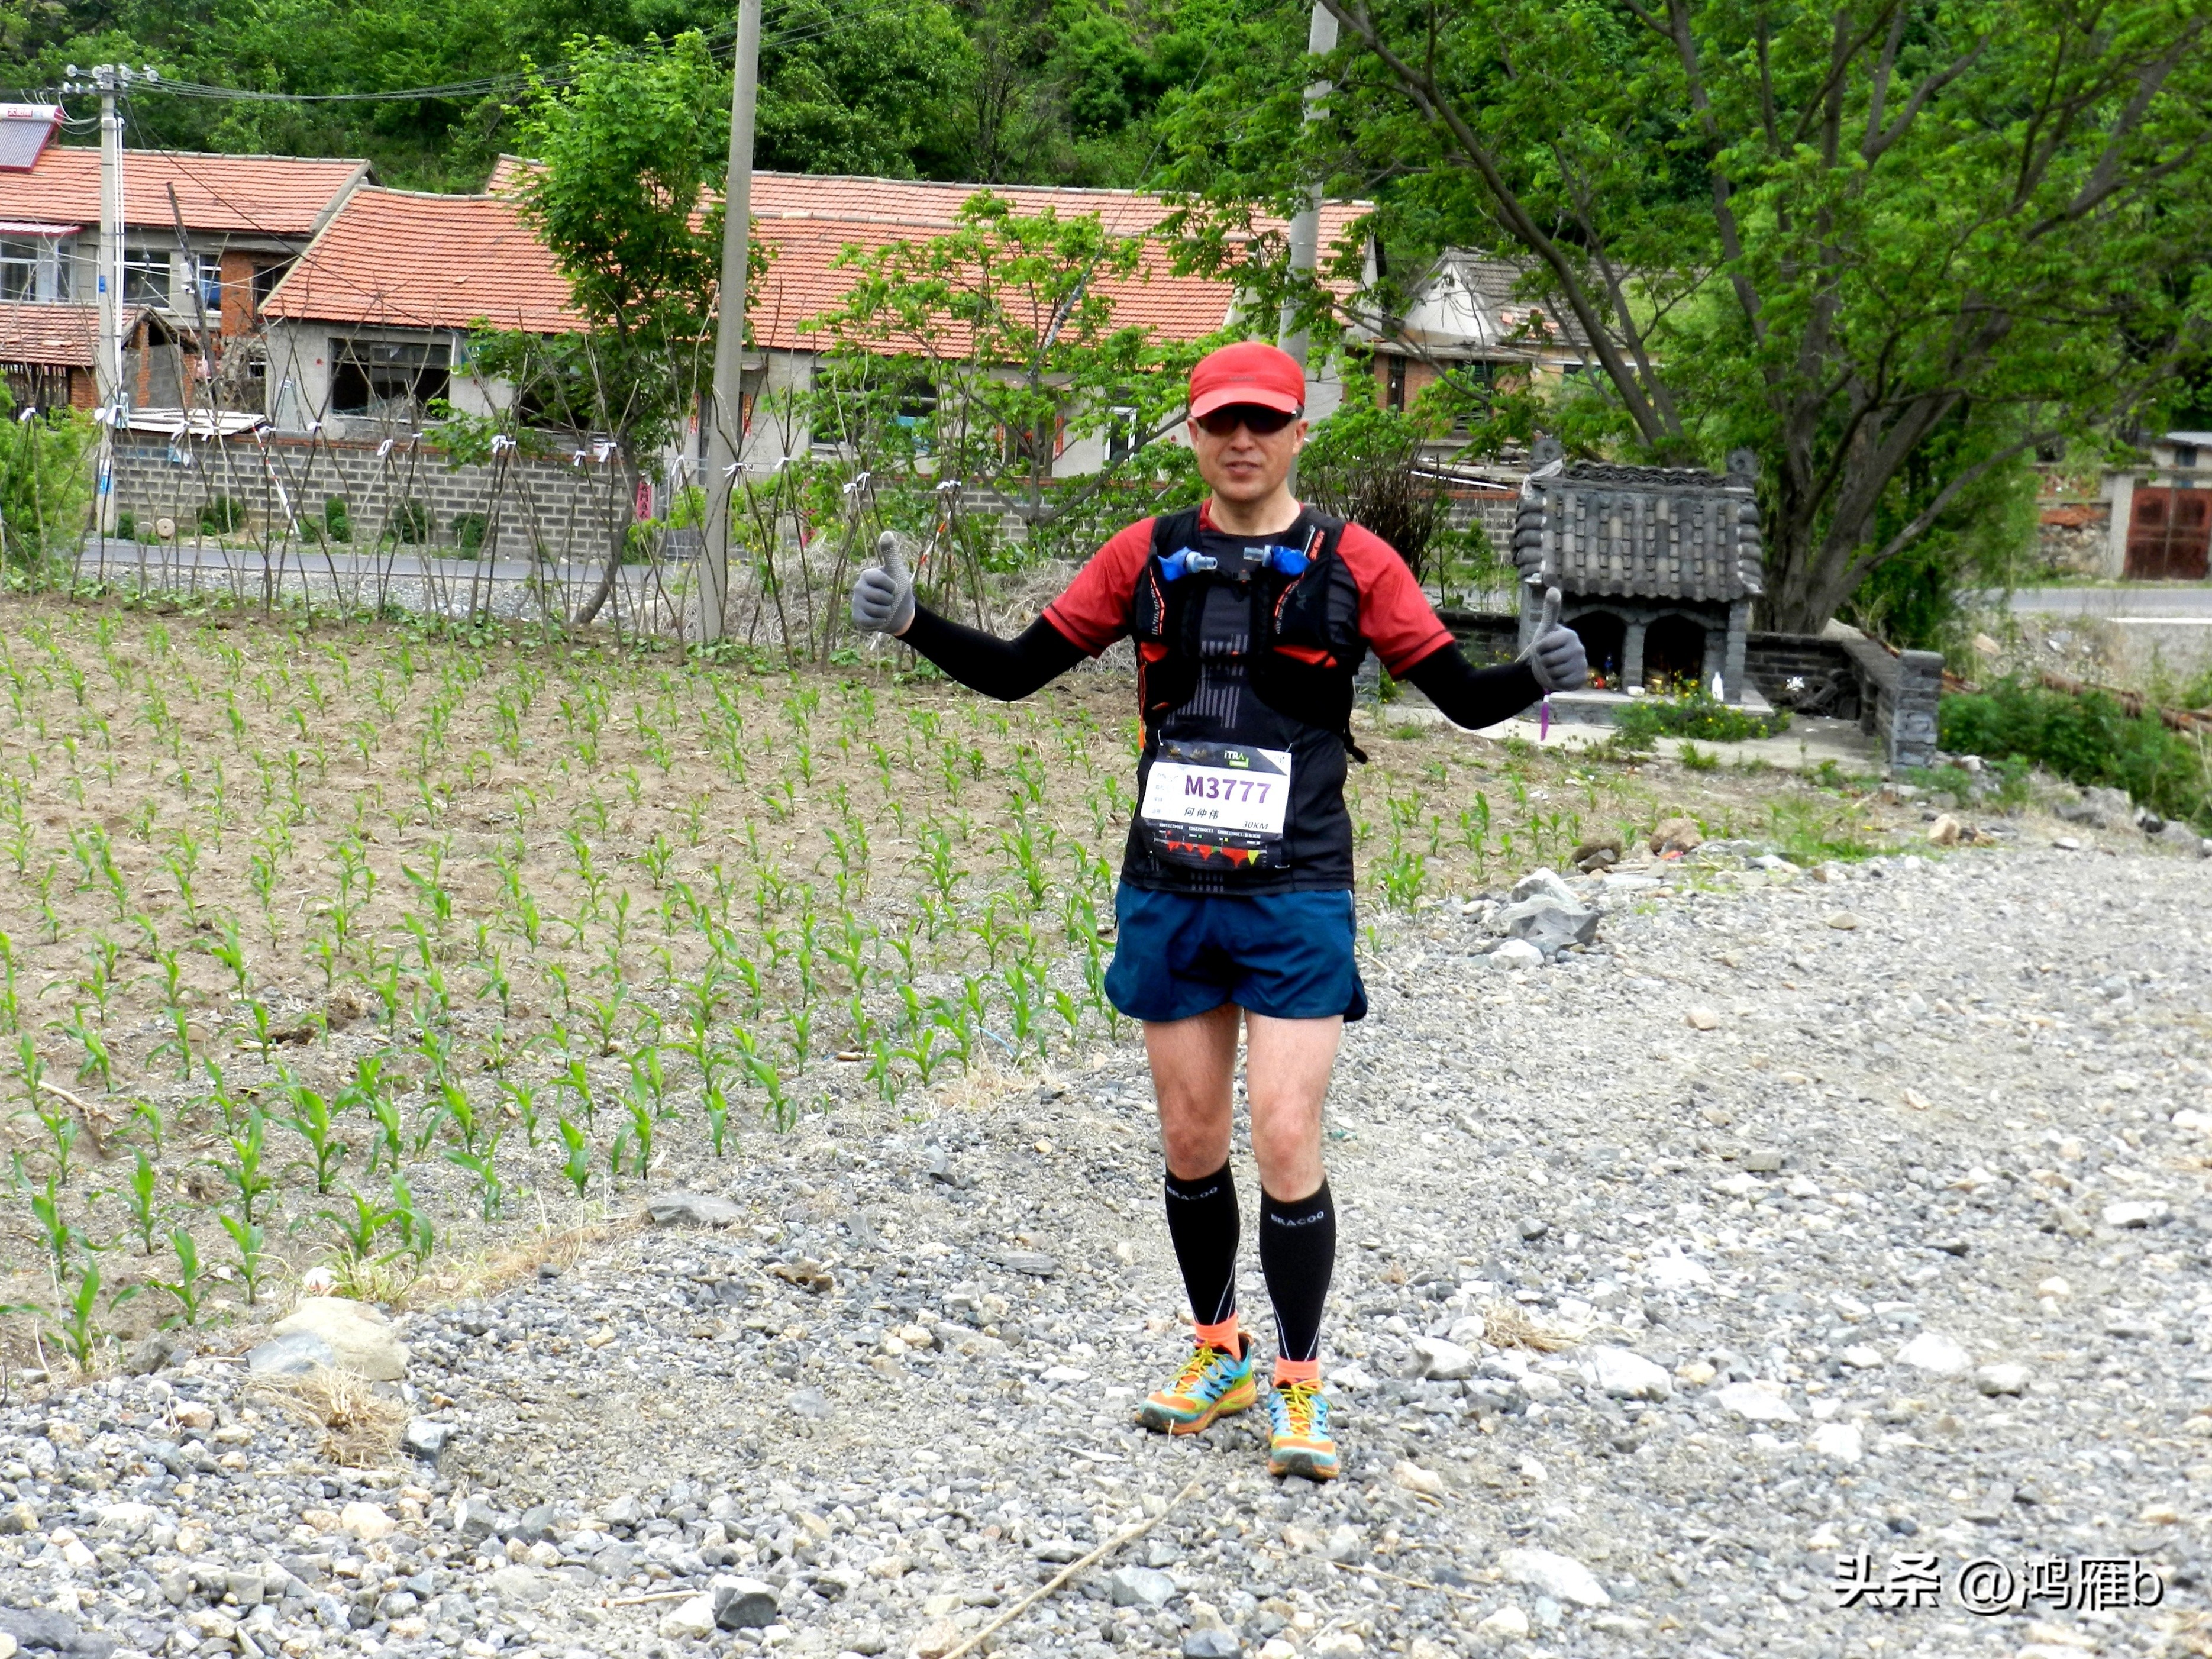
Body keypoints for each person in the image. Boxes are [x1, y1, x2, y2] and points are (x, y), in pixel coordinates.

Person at [850, 340, 1587, 1481]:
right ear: (1194, 435)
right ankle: (1218, 1349)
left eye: (1264, 422)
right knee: (1193, 1141)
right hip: (1172, 884)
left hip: (1296, 887)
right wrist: (913, 624)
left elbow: (1462, 697)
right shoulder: (1144, 556)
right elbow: (1013, 672)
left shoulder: (1359, 564)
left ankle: (1298, 1382)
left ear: (1298, 433)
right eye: (1219, 423)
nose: (1241, 442)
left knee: (1287, 1134)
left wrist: (1536, 673)